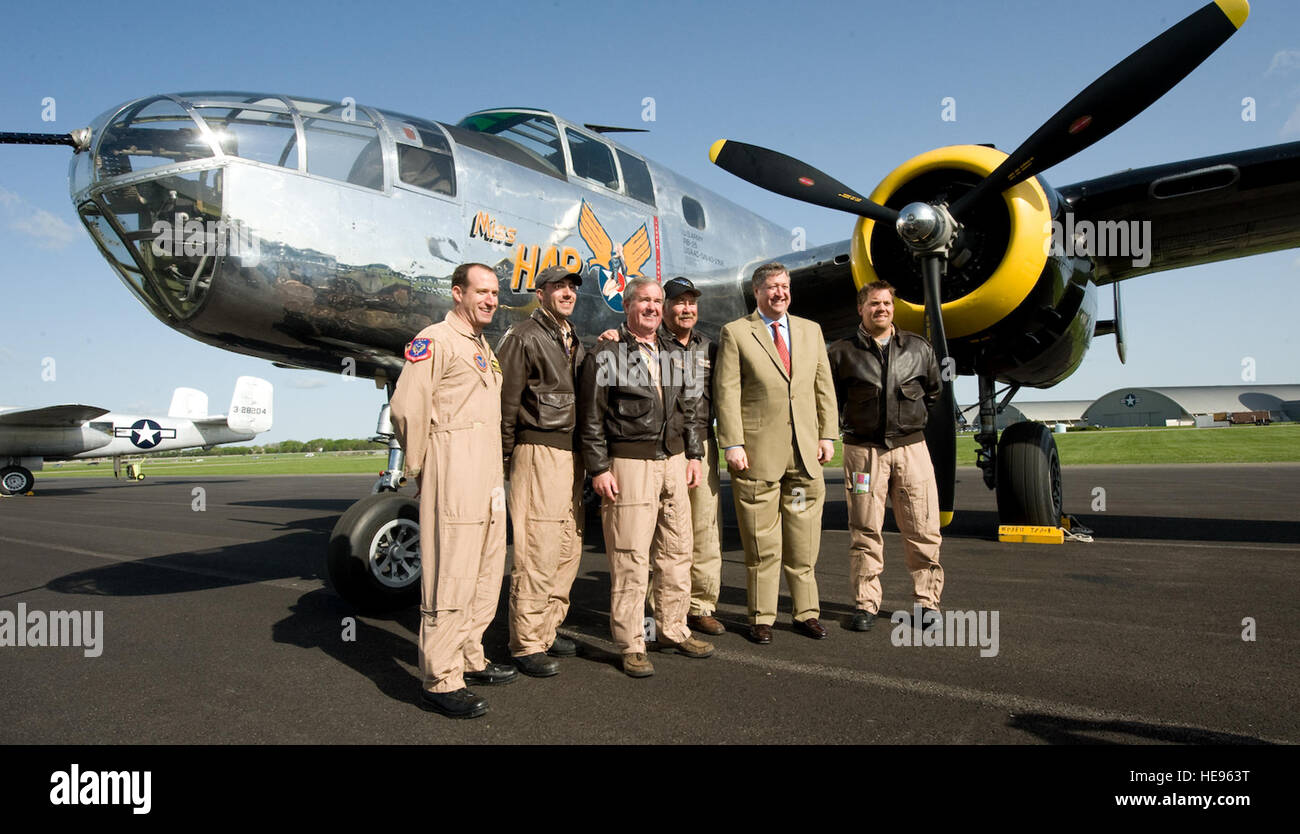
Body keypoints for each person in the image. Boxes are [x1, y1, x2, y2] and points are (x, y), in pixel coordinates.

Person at [389, 262, 513, 719]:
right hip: (454, 464)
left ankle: (469, 656)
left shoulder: (483, 346)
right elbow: (405, 407)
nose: (490, 300)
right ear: (457, 293)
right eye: (481, 291)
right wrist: (421, 463)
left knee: (485, 571)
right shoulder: (435, 340)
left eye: (495, 293)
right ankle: (440, 678)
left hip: (486, 472)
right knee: (452, 573)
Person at [578, 276, 712, 677]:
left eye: (657, 301)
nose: (653, 307)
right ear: (628, 304)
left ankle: (673, 628)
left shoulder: (676, 351)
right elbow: (591, 418)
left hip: (674, 462)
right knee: (631, 557)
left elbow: (690, 409)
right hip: (629, 463)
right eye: (645, 301)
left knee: (677, 551)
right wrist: (599, 467)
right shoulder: (608, 353)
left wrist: (693, 454)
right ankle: (632, 642)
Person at [713, 262, 838, 644]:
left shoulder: (810, 330)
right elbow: (727, 392)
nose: (780, 293)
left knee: (802, 540)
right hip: (758, 458)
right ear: (757, 292)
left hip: (803, 460)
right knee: (762, 544)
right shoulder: (736, 333)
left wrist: (827, 434)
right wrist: (732, 443)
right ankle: (761, 617)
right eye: (771, 287)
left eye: (784, 286)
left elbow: (823, 387)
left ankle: (806, 613)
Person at [827, 281, 944, 632]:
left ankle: (927, 602)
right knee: (864, 529)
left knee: (923, 527)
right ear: (861, 309)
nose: (882, 309)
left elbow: (934, 393)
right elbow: (829, 399)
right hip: (863, 453)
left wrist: (909, 425)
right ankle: (865, 603)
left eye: (887, 303)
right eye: (874, 303)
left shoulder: (919, 349)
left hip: (911, 449)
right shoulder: (842, 352)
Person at [496, 265, 586, 677]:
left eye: (572, 287)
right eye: (559, 287)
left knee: (567, 547)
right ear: (541, 292)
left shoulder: (571, 338)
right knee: (538, 549)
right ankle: (525, 643)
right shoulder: (523, 336)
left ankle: (547, 630)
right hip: (538, 451)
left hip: (571, 456)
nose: (567, 292)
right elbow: (504, 405)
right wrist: (501, 462)